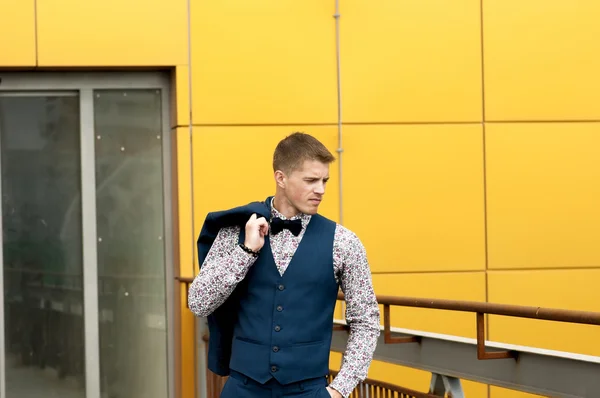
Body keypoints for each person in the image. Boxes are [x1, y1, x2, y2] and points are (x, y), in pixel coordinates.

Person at [188, 132, 380, 398]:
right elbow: (198, 302)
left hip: (309, 391)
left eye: (324, 181)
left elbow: (366, 321)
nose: (321, 190)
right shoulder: (236, 231)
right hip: (242, 389)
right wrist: (246, 251)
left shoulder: (344, 242)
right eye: (311, 180)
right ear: (281, 178)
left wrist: (339, 389)